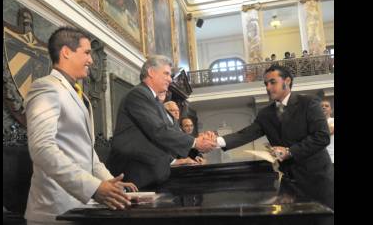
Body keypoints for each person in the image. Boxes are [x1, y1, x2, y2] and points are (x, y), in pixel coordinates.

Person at [24, 27, 138, 224]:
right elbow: (42, 148)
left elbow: (87, 153)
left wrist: (110, 184)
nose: (91, 60)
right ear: (66, 52)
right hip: (55, 210)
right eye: (86, 52)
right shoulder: (46, 87)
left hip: (81, 208)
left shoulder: (80, 95)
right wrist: (93, 188)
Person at [214, 65, 333, 224]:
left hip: (318, 180)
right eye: (265, 84)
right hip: (290, 184)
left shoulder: (309, 103)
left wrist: (289, 151)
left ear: (287, 81)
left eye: (272, 82)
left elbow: (322, 137)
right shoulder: (265, 114)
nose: (268, 87)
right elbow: (246, 134)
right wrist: (215, 141)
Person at [106, 55, 216, 188]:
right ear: (151, 72)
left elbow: (169, 133)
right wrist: (195, 142)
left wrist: (181, 155)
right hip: (135, 175)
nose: (170, 79)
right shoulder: (138, 94)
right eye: (166, 74)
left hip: (152, 173)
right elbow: (158, 131)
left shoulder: (154, 100)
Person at [321, 99, 334, 165]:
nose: (324, 107)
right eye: (321, 106)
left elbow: (329, 131)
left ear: (331, 111)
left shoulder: (333, 120)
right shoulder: (315, 123)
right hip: (319, 159)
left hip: (332, 158)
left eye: (326, 106)